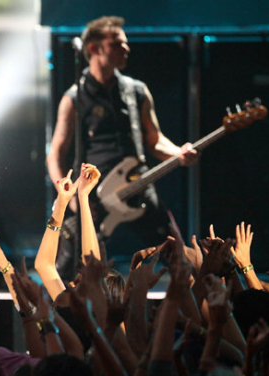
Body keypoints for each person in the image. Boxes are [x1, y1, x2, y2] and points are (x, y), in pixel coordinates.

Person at [46, 15, 198, 277]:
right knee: (74, 270)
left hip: (138, 184)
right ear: (94, 49)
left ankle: (191, 312)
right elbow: (56, 154)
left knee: (177, 255)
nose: (126, 48)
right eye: (117, 43)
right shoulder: (73, 98)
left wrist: (177, 152)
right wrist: (69, 197)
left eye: (125, 43)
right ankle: (58, 315)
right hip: (94, 196)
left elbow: (155, 139)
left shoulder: (136, 91)